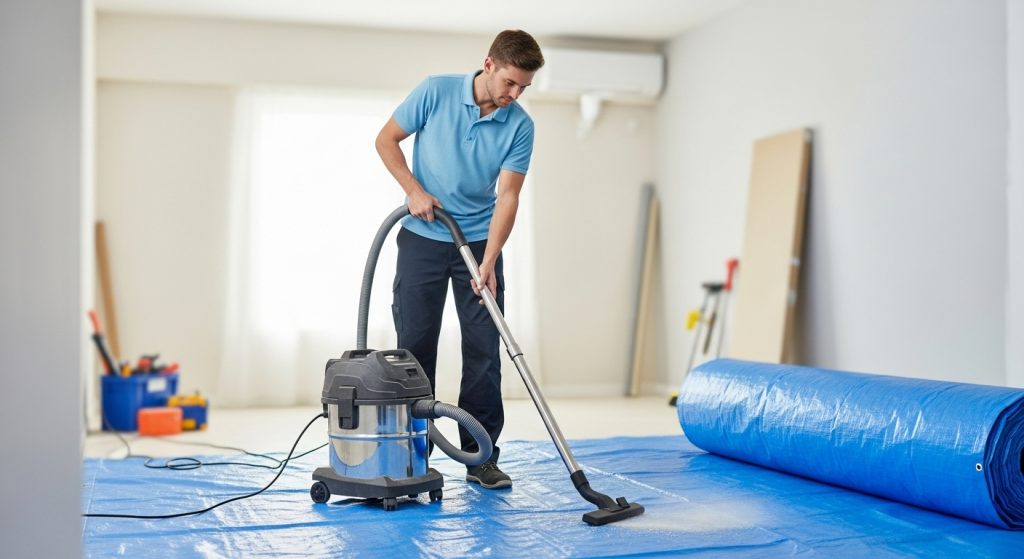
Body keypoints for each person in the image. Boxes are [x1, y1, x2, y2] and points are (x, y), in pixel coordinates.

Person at [375, 30, 544, 490]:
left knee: (485, 351)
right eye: (510, 82)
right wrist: (413, 190)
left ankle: (480, 457)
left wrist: (489, 260)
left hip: (478, 245)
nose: (515, 95)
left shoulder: (520, 126)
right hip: (422, 239)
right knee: (414, 349)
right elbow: (386, 140)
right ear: (488, 64)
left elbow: (507, 197)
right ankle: (413, 454)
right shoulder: (436, 91)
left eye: (524, 87)